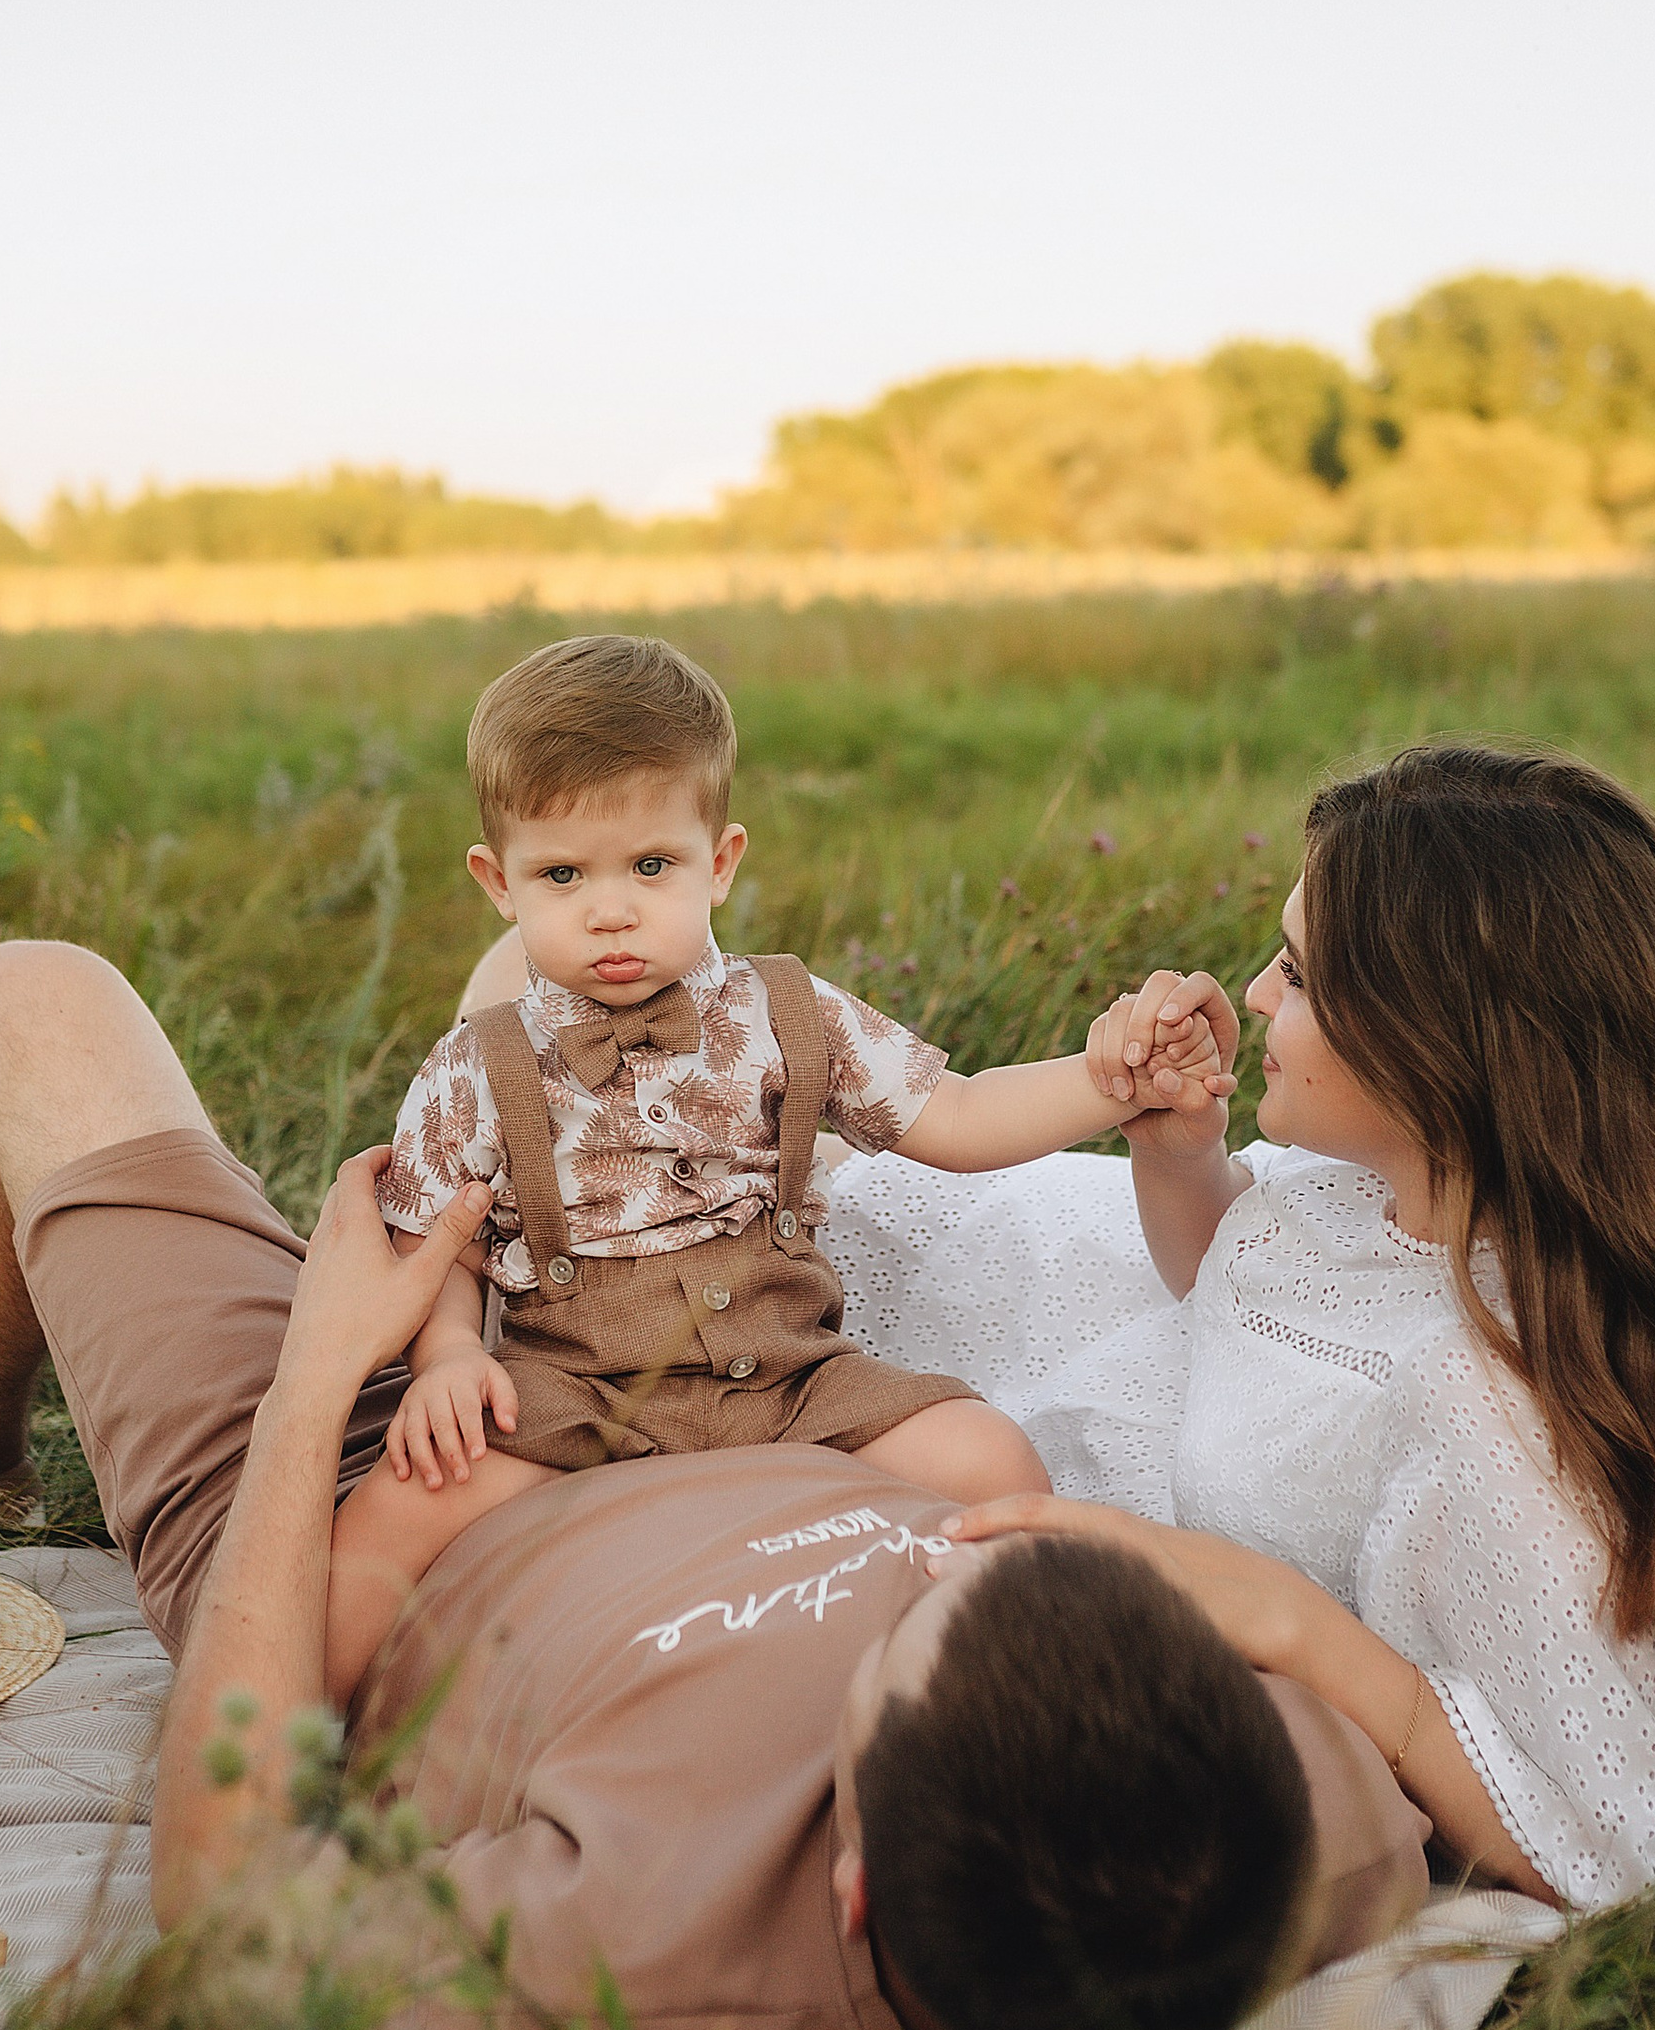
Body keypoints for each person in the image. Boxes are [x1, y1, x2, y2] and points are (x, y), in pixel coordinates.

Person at [0, 936, 1431, 2030]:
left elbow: (220, 1909)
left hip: (376, 1516)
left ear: (846, 1885)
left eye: (920, 1608)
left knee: (34, 997)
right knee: (534, 975)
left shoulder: (628, 1974)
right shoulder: (1264, 1830)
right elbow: (1476, 1781)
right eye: (976, 1554)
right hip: (685, 1373)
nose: (938, 1555)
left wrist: (319, 1378)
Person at [823, 742, 1655, 1910]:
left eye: (1297, 972)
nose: (1258, 995)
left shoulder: (1493, 1406)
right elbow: (1246, 1289)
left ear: (1441, 1051)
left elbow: (1622, 1842)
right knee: (776, 1192)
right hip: (1083, 1292)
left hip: (1063, 1412)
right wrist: (1179, 1159)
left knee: (728, 1294)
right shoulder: (1415, 1196)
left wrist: (1293, 1625)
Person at [329, 635, 1224, 1694]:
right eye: (561, 874)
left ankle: (1008, 1692)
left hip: (787, 1372)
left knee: (988, 1459)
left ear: (721, 860)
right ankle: (301, 1750)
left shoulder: (789, 1014)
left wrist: (1109, 1081)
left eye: (650, 866)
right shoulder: (473, 1063)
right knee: (391, 1511)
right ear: (497, 881)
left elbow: (960, 1115)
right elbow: (439, 1239)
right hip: (574, 1389)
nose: (608, 908)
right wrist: (445, 1360)